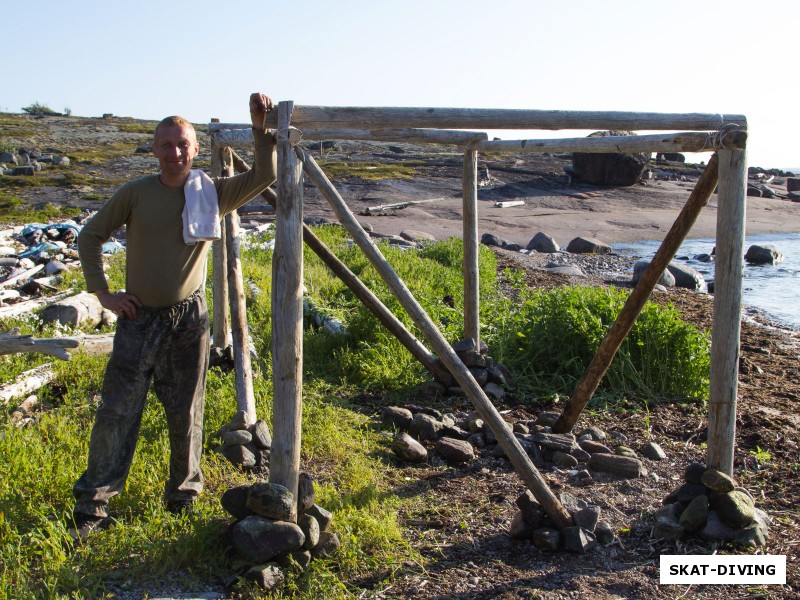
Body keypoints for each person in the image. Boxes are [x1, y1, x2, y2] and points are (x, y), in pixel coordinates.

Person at [69, 92, 277, 541]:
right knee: (117, 410)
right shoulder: (136, 193)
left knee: (187, 410)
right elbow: (90, 236)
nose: (174, 152)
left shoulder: (213, 193)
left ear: (195, 149)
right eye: (166, 144)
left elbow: (266, 174)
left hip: (189, 320)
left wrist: (260, 129)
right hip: (138, 318)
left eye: (182, 144)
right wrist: (103, 294)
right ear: (154, 149)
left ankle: (182, 495)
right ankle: (94, 502)